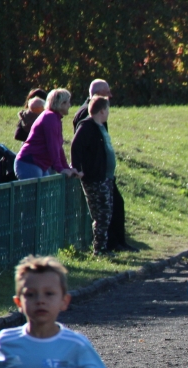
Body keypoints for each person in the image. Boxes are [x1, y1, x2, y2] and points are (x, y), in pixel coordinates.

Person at [71, 96, 117, 255]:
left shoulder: (100, 126)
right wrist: (77, 168)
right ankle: (99, 249)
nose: (108, 113)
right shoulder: (87, 127)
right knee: (101, 214)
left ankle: (103, 246)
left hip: (105, 177)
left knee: (107, 212)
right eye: (108, 110)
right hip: (95, 178)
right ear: (102, 110)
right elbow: (76, 147)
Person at [14, 88, 82, 181]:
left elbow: (58, 146)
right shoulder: (50, 118)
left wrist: (66, 168)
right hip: (29, 163)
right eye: (68, 103)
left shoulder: (55, 118)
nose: (70, 105)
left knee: (44, 194)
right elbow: (52, 145)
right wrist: (60, 169)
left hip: (39, 164)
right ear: (61, 104)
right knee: (37, 195)